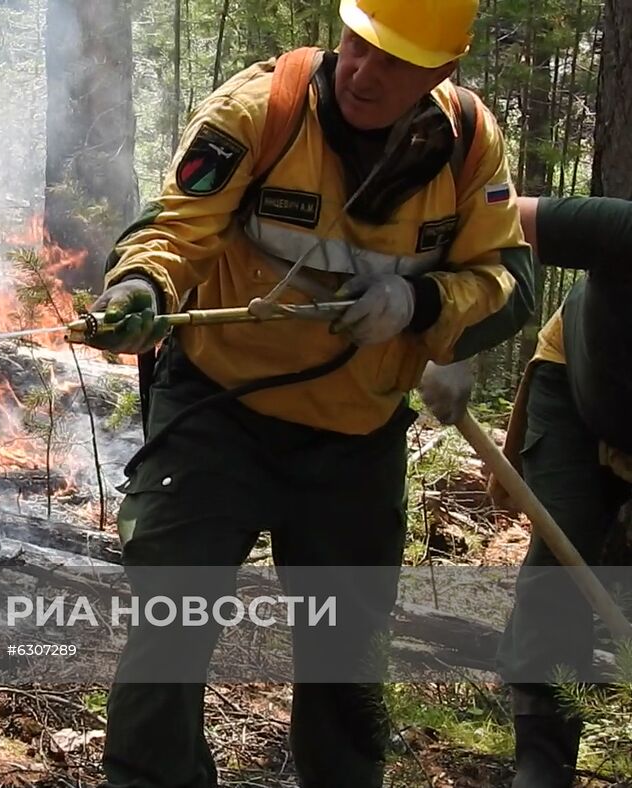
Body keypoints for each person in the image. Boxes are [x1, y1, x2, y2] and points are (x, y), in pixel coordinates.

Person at [80, 0, 536, 785]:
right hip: (217, 407)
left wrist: (420, 307)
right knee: (172, 614)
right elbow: (177, 227)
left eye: (394, 61)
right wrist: (140, 287)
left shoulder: (467, 149)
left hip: (356, 435)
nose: (363, 72)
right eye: (358, 46)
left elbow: (507, 281)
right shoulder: (263, 110)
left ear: (442, 71)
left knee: (347, 648)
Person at [421, 195, 632, 787]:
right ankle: (544, 753)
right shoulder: (618, 230)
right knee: (563, 555)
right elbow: (491, 222)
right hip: (577, 392)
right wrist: (451, 338)